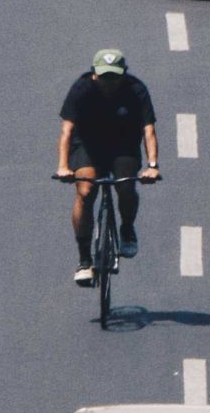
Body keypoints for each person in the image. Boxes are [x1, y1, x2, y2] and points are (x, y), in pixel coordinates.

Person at [56, 49, 160, 286]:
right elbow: (67, 130)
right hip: (88, 145)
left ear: (123, 75)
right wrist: (63, 166)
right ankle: (84, 259)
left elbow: (148, 131)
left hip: (122, 145)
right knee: (85, 191)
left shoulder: (136, 90)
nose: (109, 83)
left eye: (114, 77)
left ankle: (127, 229)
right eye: (104, 77)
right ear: (94, 75)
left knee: (125, 186)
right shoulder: (81, 89)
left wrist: (152, 166)